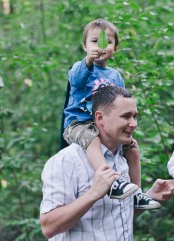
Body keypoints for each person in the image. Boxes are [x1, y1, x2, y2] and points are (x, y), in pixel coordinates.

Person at [41, 85, 174, 241]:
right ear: (100, 118)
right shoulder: (66, 161)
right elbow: (49, 226)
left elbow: (117, 216)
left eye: (135, 116)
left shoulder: (122, 159)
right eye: (126, 116)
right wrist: (93, 194)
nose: (134, 123)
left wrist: (152, 196)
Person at [62, 18, 159, 209]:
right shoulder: (81, 68)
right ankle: (111, 182)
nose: (101, 46)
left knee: (133, 147)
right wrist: (88, 61)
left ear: (114, 48)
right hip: (78, 124)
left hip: (105, 127)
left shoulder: (115, 76)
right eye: (94, 41)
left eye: (108, 41)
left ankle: (137, 194)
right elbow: (76, 80)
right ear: (85, 46)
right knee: (92, 138)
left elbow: (122, 106)